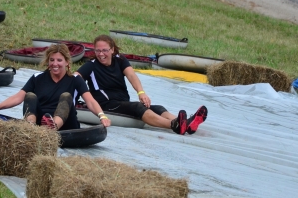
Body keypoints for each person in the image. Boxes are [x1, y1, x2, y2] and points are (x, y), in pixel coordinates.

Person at [76, 35, 208, 135]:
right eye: (97, 51)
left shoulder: (120, 60)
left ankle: (187, 123)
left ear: (112, 50)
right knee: (137, 107)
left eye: (104, 50)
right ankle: (174, 125)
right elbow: (76, 77)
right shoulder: (90, 66)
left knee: (157, 108)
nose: (101, 54)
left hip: (121, 102)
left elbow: (131, 75)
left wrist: (141, 92)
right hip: (105, 104)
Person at [0, 44, 111, 131]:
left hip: (66, 124)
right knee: (30, 96)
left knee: (66, 96)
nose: (55, 64)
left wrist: (102, 116)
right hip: (42, 120)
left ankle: (52, 127)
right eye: (52, 60)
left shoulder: (75, 79)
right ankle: (30, 127)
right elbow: (18, 97)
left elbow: (90, 101)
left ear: (67, 62)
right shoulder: (37, 77)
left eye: (59, 60)